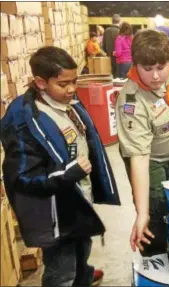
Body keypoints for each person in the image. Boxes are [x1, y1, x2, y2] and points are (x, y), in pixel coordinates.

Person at [0, 46, 121, 286]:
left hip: (76, 200)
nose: (72, 89)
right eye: (63, 84)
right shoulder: (25, 121)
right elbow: (22, 178)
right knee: (61, 268)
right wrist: (67, 175)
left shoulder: (67, 103)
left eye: (74, 82)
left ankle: (82, 276)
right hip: (56, 212)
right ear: (41, 83)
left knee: (83, 245)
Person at [115, 30, 169, 255]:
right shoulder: (131, 103)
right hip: (150, 162)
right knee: (155, 212)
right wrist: (142, 213)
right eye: (148, 69)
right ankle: (154, 261)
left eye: (161, 67)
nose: (156, 76)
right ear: (135, 65)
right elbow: (139, 158)